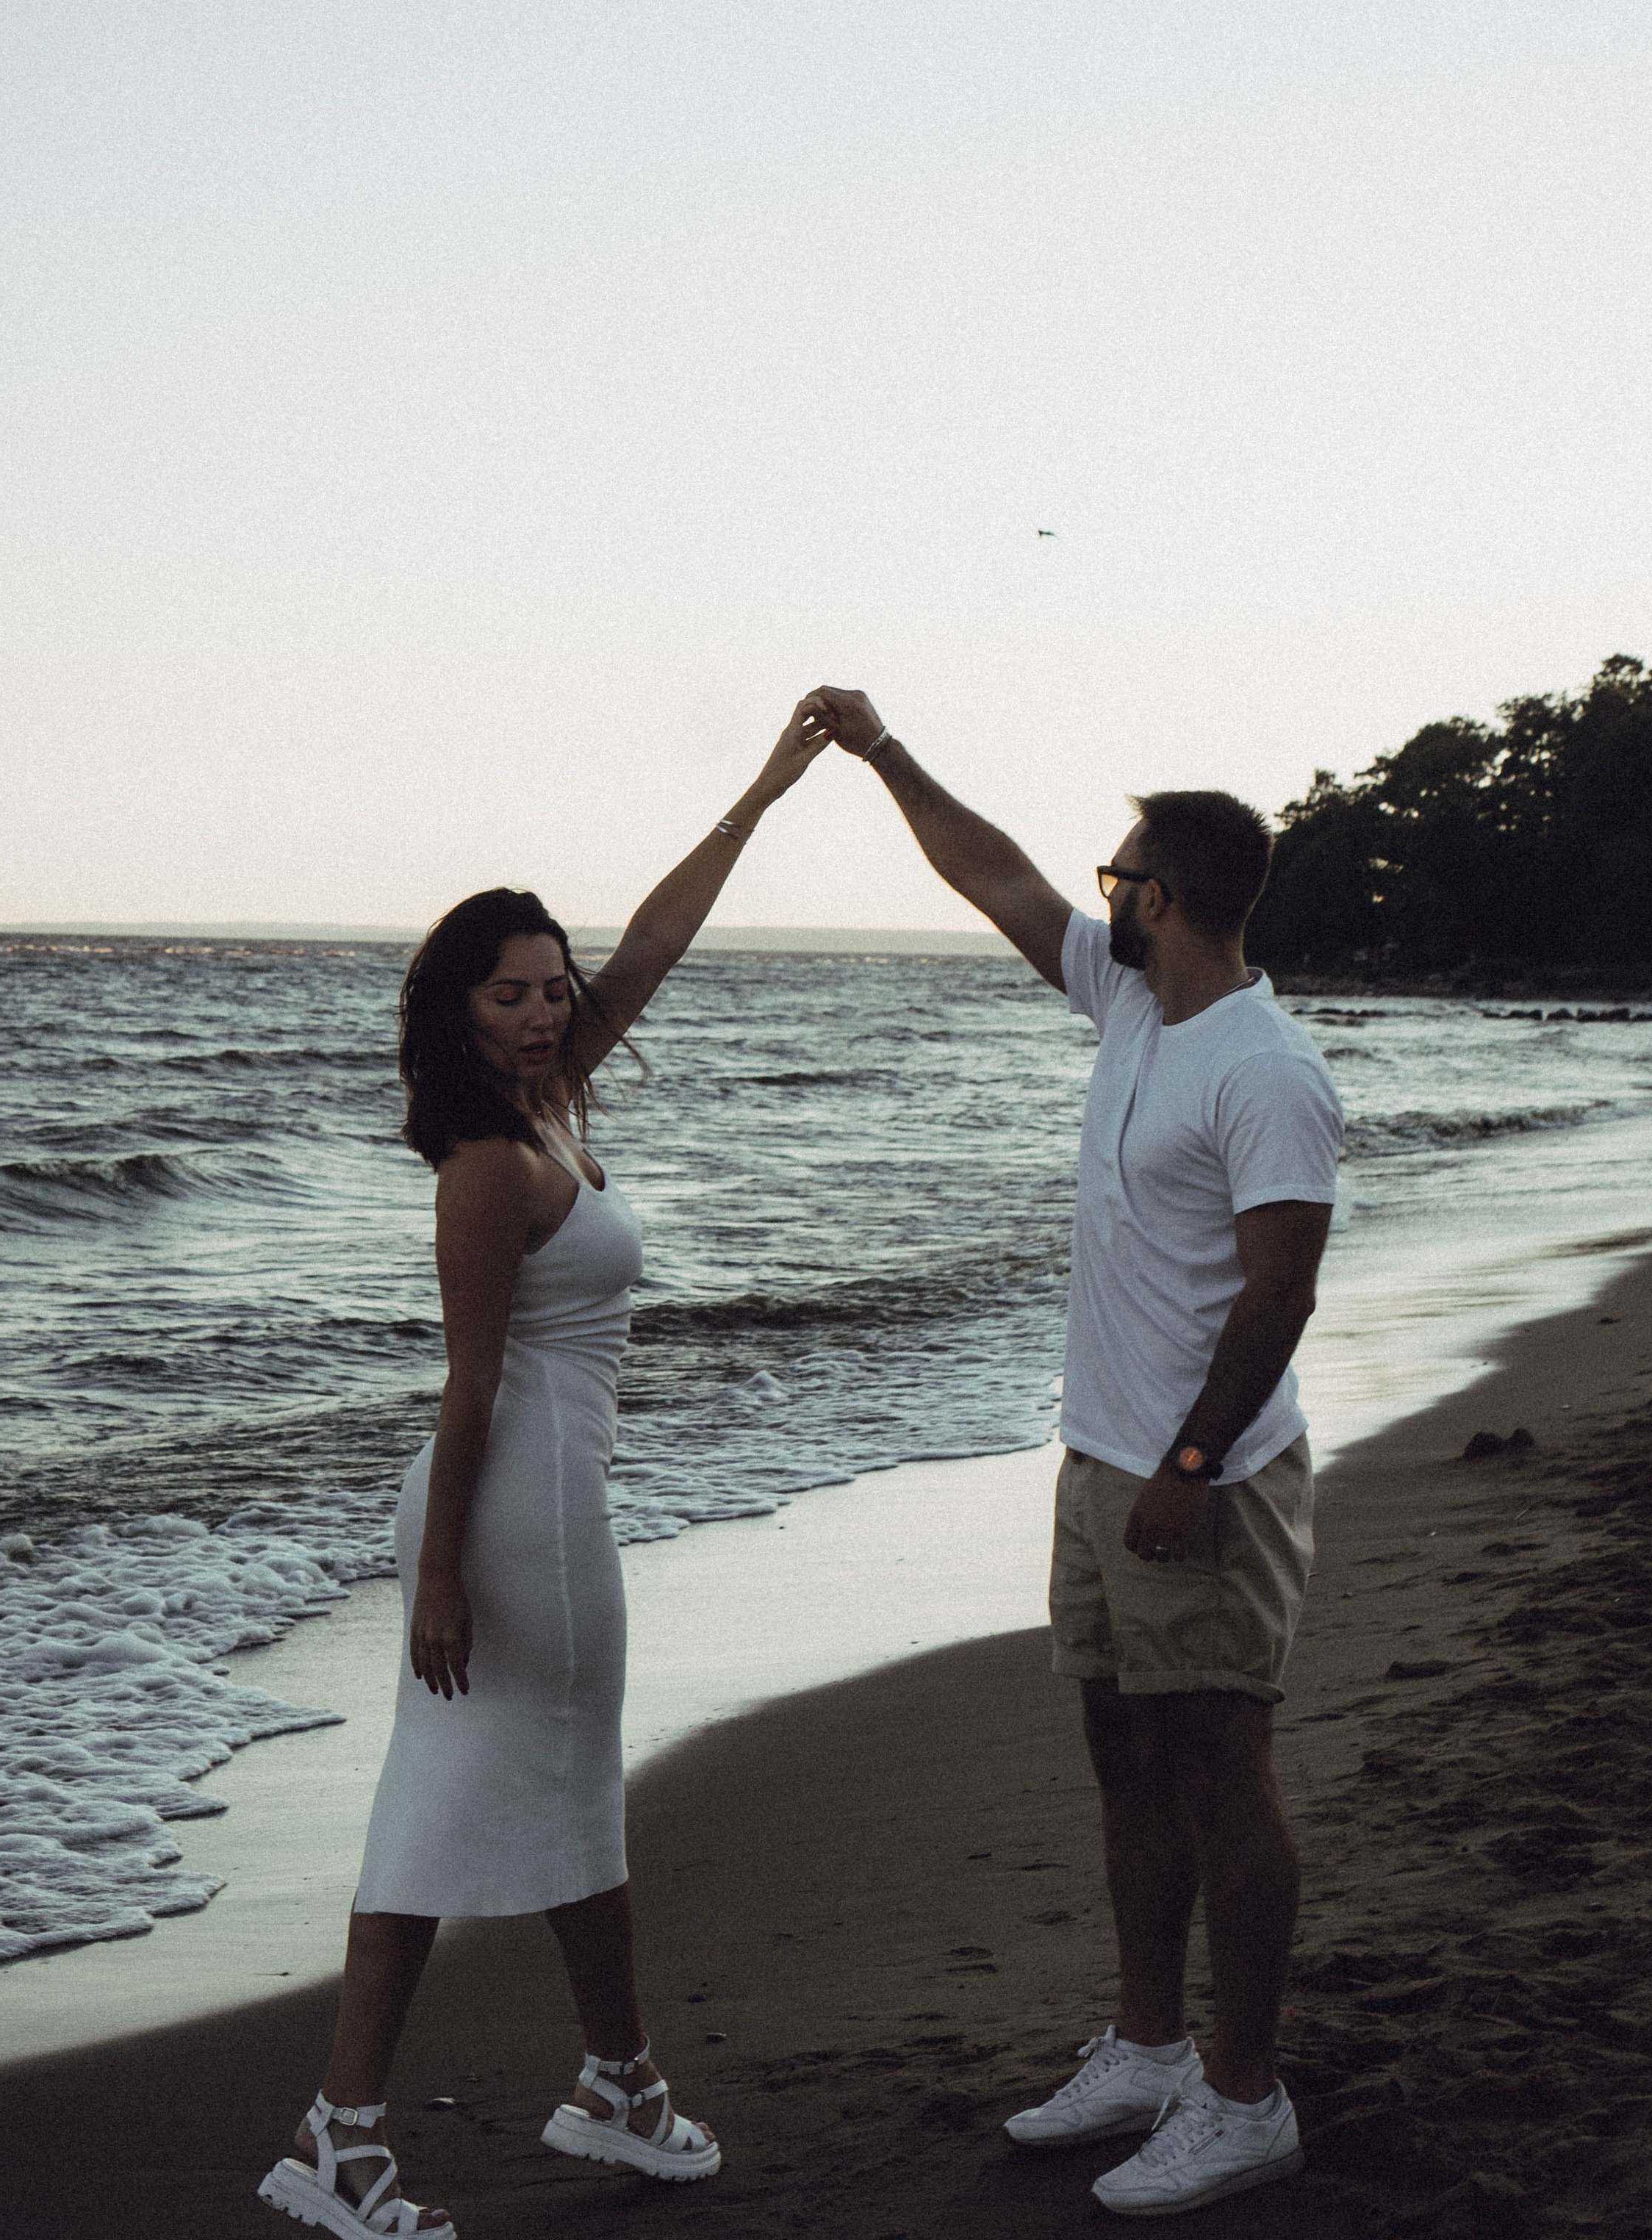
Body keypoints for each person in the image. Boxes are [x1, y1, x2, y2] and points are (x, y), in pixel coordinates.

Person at [259, 700, 831, 2240]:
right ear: (452, 1013)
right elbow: (472, 1386)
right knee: (443, 1809)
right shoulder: (487, 1167)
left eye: (545, 985)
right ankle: (345, 2138)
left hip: (552, 1498)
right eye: (504, 993)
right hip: (510, 1511)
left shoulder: (556, 1099)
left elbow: (651, 944)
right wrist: (439, 1574)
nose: (537, 1008)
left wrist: (762, 792)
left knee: (569, 1793)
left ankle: (614, 2082)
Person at [813, 687, 1342, 2218]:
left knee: (1218, 1768)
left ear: (1160, 897)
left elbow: (1281, 1287)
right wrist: (882, 753)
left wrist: (1188, 1467)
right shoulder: (1129, 1008)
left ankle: (1245, 2100)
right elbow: (988, 877)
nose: (1094, 895)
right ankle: (1147, 2047)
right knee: (1122, 1752)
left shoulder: (1262, 1067)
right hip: (1102, 1461)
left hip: (1207, 1478)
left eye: (1114, 878)